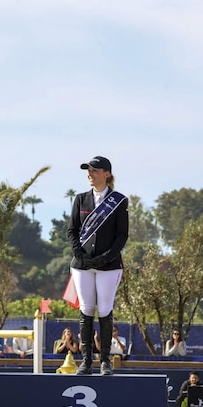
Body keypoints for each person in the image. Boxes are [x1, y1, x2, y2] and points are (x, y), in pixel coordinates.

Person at [68, 156, 129, 376]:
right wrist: (81, 255)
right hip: (82, 264)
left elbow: (122, 235)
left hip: (109, 264)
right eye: (88, 171)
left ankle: (104, 361)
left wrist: (105, 257)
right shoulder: (80, 199)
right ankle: (85, 361)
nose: (90, 174)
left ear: (107, 174)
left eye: (94, 170)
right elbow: (72, 230)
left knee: (104, 309)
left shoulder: (119, 201)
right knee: (86, 309)